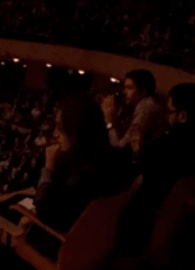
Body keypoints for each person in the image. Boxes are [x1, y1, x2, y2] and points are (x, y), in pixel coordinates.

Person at [115, 83, 195, 255]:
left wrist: (138, 149)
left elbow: (153, 169)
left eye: (170, 111)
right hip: (178, 199)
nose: (168, 116)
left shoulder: (176, 143)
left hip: (148, 209)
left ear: (182, 115)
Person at [33, 94, 131, 233]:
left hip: (65, 242)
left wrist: (48, 167)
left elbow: (45, 213)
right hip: (96, 239)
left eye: (60, 128)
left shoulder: (81, 176)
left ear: (77, 131)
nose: (55, 134)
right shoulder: (116, 158)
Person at [101, 69, 167, 157]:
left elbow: (120, 149)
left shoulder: (146, 109)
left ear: (143, 91)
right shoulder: (146, 105)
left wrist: (109, 121)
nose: (124, 92)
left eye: (129, 88)